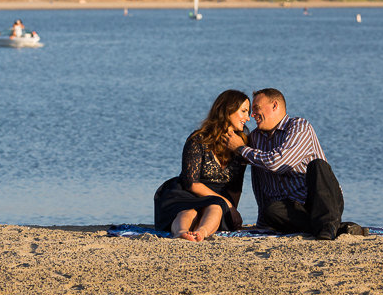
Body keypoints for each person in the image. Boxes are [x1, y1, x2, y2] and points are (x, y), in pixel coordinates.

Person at [233, 88, 366, 240]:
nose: (252, 115)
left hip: (320, 200)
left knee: (318, 166)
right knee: (271, 211)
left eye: (256, 108)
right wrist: (262, 220)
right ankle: (336, 228)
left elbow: (278, 163)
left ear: (275, 105)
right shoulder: (256, 138)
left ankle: (327, 226)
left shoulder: (299, 126)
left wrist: (241, 148)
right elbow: (259, 181)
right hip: (291, 209)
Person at [154, 90, 250, 241]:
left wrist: (232, 209)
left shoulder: (244, 143)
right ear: (227, 110)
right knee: (189, 211)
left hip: (217, 201)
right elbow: (192, 184)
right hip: (186, 193)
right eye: (243, 111)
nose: (248, 118)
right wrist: (228, 204)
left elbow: (238, 185)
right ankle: (181, 232)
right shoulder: (198, 139)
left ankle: (201, 233)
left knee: (215, 208)